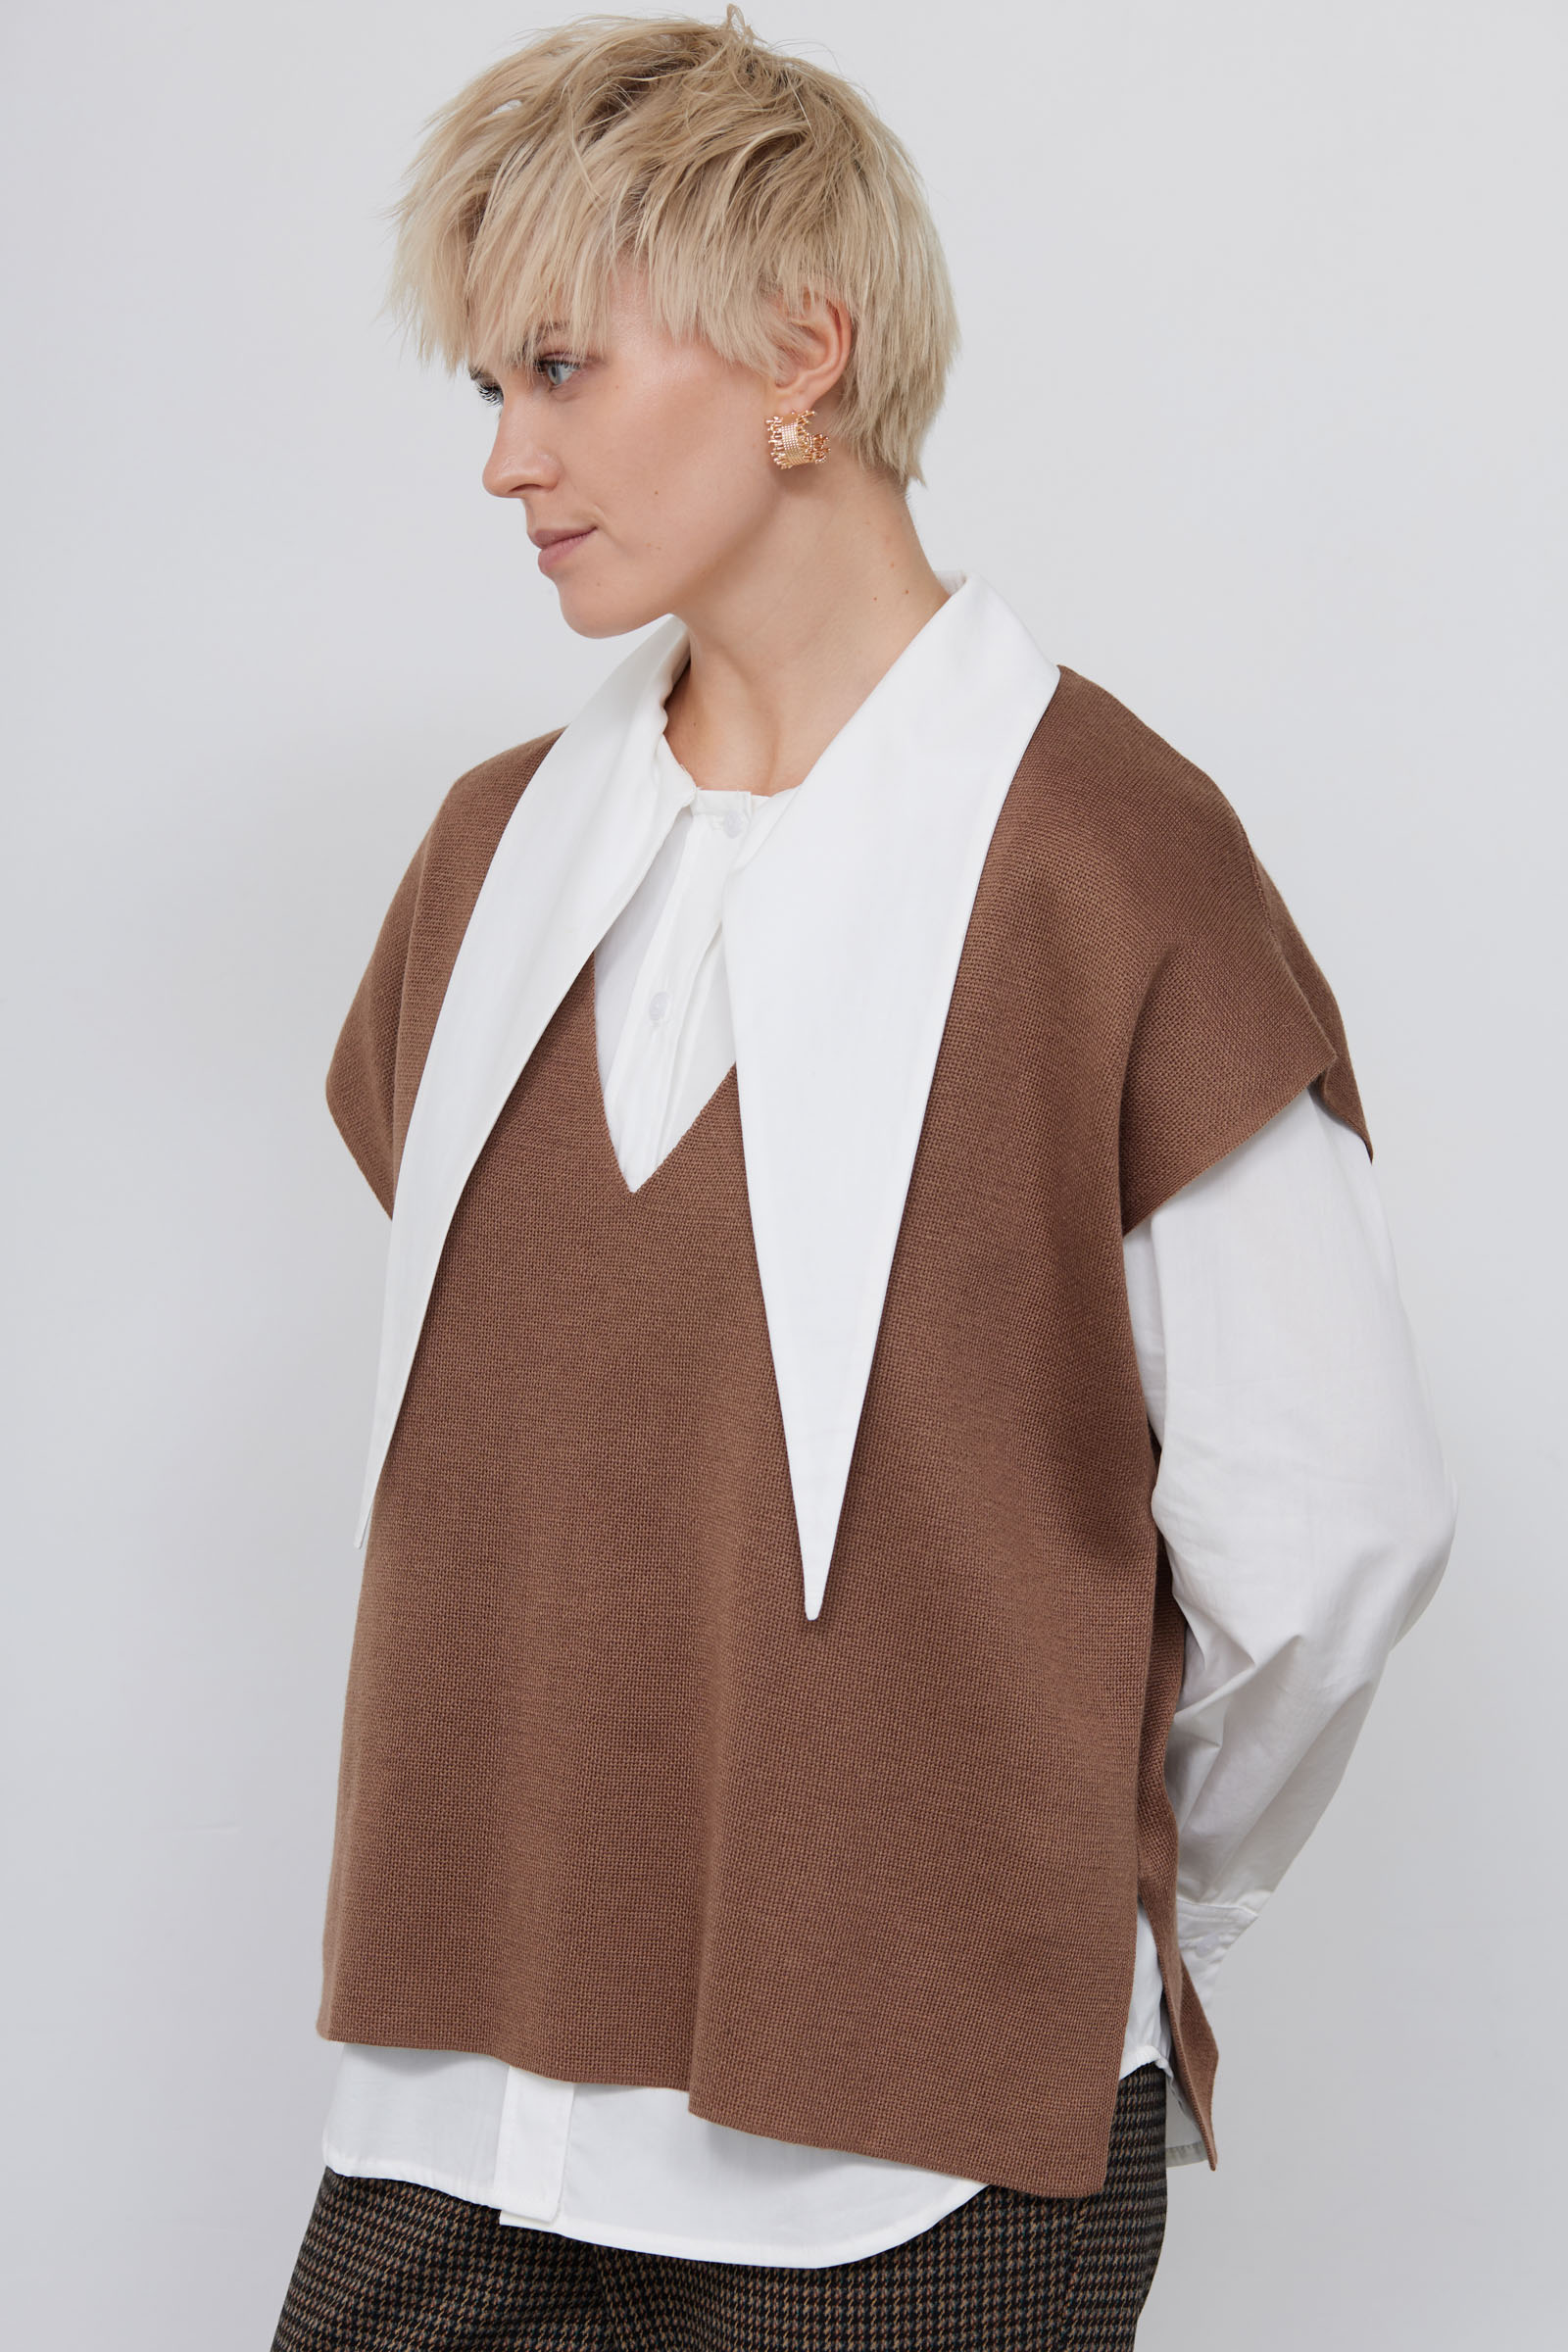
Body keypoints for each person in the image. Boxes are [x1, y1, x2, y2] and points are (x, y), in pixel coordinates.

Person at [271, 11, 1457, 2346]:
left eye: (556, 368)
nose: (504, 458)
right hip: (463, 2112)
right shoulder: (489, 869)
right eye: (487, 387)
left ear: (798, 353)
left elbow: (1332, 1530)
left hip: (913, 2172)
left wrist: (1086, 1903)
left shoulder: (1106, 862)